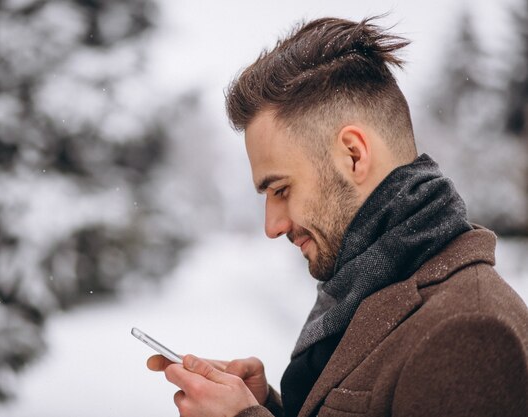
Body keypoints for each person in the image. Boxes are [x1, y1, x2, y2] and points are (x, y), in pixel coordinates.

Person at [146, 16, 528, 417]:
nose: (271, 226)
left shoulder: (469, 331)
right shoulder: (365, 292)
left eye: (281, 190)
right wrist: (268, 408)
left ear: (353, 155)